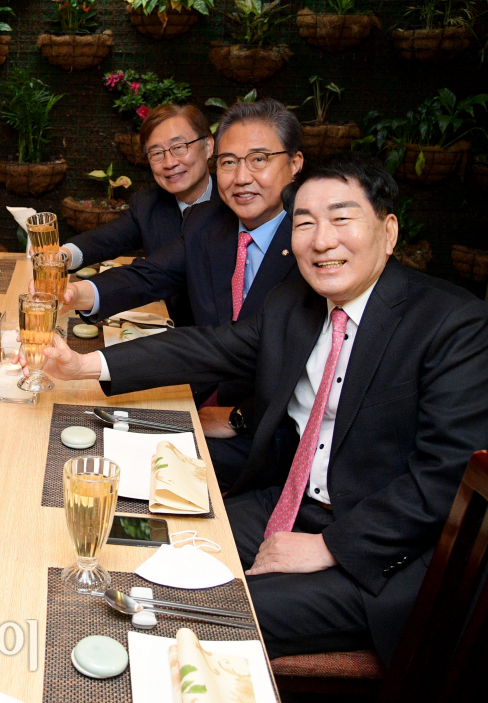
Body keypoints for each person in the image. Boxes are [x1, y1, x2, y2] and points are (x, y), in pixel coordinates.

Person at [33, 152, 488, 665]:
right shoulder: (295, 304)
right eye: (304, 223)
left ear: (388, 231)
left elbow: (447, 479)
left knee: (179, 613)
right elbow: (209, 347)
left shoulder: (456, 326)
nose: (321, 240)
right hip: (287, 504)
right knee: (130, 548)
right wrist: (84, 365)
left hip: (384, 554)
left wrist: (330, 546)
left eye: (341, 219)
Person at [58, 99, 305, 490]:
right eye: (230, 162)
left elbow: (317, 370)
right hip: (200, 389)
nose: (242, 177)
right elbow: (150, 275)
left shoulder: (314, 242)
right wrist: (72, 293)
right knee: (84, 437)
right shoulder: (208, 222)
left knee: (115, 473)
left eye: (258, 159)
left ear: (294, 163)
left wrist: (240, 416)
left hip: (271, 433)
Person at [60, 103, 217, 270]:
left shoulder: (233, 200)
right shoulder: (148, 205)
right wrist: (62, 255)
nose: (169, 163)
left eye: (179, 147)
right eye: (157, 153)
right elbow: (104, 240)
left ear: (208, 147)